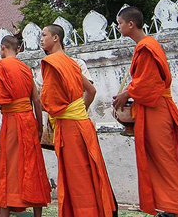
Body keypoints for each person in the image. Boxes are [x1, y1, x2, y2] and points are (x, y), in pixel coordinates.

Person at [112, 6, 178, 217]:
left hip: (156, 110)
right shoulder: (147, 45)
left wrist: (126, 94)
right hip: (156, 108)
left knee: (166, 161)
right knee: (171, 159)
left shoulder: (146, 46)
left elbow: (149, 85)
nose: (118, 27)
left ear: (130, 24)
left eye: (119, 23)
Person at [42, 25, 116, 217]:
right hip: (83, 124)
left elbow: (50, 103)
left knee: (77, 178)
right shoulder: (72, 63)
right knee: (90, 172)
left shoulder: (51, 62)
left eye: (44, 35)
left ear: (56, 38)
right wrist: (78, 110)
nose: (41, 39)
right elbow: (91, 91)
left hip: (69, 128)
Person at [0, 35, 51, 217]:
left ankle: (5, 213)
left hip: (12, 120)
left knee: (9, 166)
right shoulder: (26, 69)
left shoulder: (0, 66)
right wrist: (39, 125)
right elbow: (36, 99)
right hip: (29, 120)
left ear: (2, 48)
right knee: (33, 165)